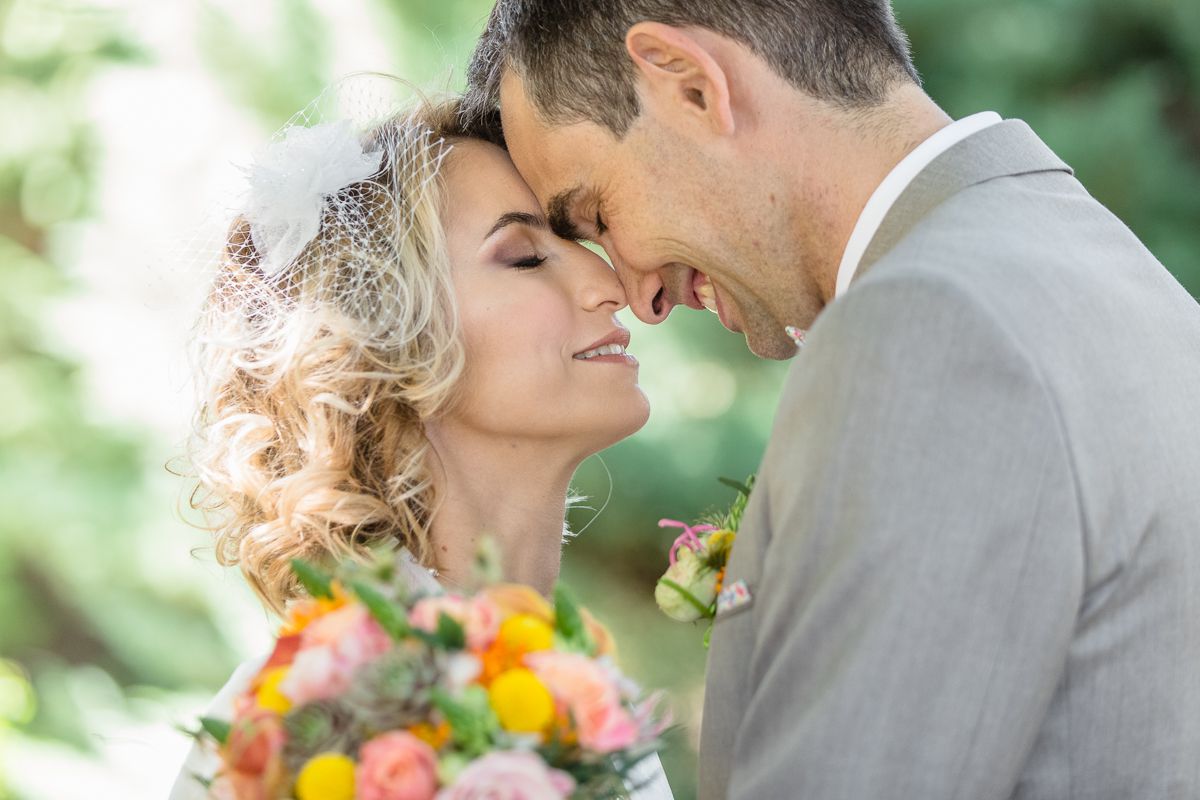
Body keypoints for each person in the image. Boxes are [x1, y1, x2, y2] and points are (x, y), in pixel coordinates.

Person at [463, 1, 1200, 797]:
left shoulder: (932, 329)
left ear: (691, 85)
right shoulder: (1102, 267)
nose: (638, 296)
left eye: (598, 214)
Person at [169, 97, 672, 799]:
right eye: (525, 256)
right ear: (381, 349)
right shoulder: (325, 720)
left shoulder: (585, 687)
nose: (608, 283)